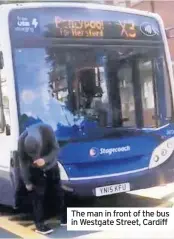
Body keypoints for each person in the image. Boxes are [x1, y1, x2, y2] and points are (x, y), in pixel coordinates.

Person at [18, 122, 66, 235]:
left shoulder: (47, 130)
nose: (35, 155)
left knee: (58, 191)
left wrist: (44, 159)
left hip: (51, 164)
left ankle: (63, 216)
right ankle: (39, 225)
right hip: (34, 168)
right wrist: (27, 181)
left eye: (35, 152)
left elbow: (56, 149)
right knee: (37, 195)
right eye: (31, 154)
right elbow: (23, 162)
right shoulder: (21, 140)